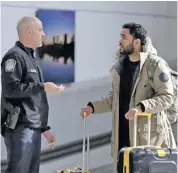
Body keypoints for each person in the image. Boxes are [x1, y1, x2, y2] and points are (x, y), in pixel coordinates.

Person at [80, 22, 176, 170]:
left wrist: (141, 108)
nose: (120, 41)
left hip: (148, 140)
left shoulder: (155, 65)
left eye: (124, 37)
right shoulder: (120, 67)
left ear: (136, 42)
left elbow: (167, 97)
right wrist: (92, 107)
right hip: (122, 139)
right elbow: (115, 100)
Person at [1, 16, 65, 173]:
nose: (43, 34)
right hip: (21, 128)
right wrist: (42, 86)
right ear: (28, 32)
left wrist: (44, 128)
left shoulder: (31, 58)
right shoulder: (14, 57)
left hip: (32, 127)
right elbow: (11, 89)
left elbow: (34, 99)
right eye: (40, 30)